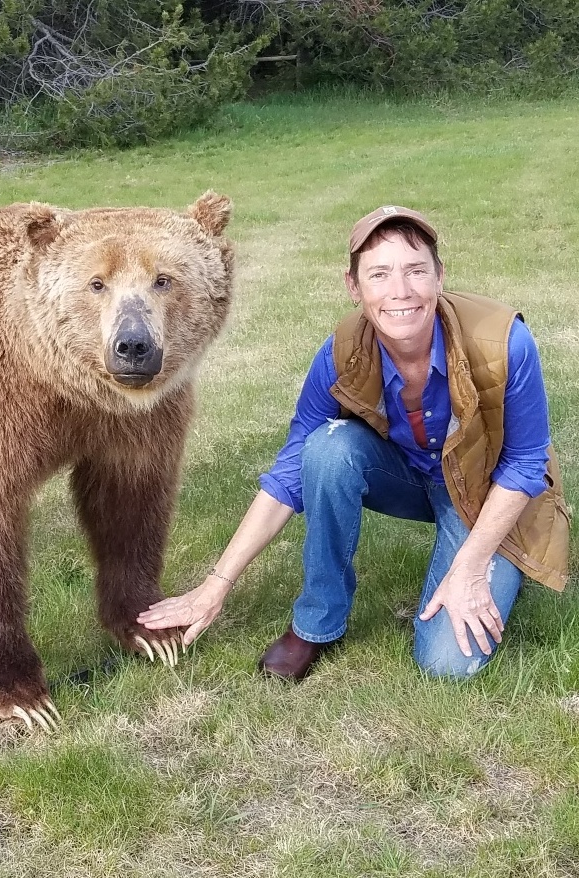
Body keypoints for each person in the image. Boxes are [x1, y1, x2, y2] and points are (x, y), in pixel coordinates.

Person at [137, 205, 569, 681]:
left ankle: (496, 557)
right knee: (327, 448)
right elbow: (291, 472)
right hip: (411, 477)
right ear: (354, 286)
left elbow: (526, 462)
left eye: (415, 271)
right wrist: (214, 586)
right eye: (379, 274)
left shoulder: (504, 341)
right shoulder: (341, 352)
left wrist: (471, 563)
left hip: (487, 490)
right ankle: (318, 623)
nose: (400, 291)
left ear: (439, 276)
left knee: (448, 664)